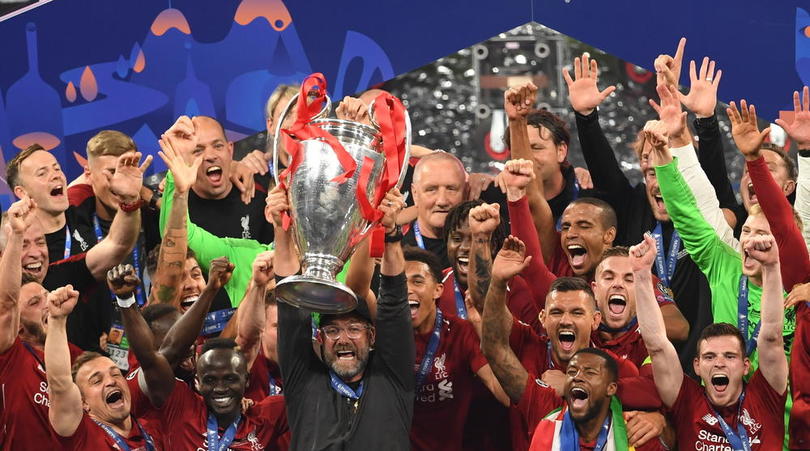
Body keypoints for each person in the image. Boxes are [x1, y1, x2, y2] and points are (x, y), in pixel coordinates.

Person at [271, 165, 414, 449]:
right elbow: (290, 306)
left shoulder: (392, 378)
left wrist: (392, 234)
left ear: (372, 337)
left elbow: (394, 304)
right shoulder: (304, 380)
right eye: (333, 330)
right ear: (319, 339)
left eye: (353, 328)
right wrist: (281, 225)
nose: (343, 338)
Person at [481, 238, 665, 450]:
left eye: (577, 313)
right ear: (543, 318)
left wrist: (657, 419)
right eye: (557, 312)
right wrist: (497, 281)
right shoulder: (534, 369)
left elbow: (657, 395)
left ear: (595, 320)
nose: (566, 321)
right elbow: (493, 346)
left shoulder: (615, 368)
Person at [632, 230, 788, 449]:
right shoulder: (687, 400)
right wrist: (641, 275)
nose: (719, 363)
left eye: (730, 356)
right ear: (697, 366)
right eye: (709, 356)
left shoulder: (765, 397)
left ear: (746, 366)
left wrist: (772, 267)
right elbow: (656, 345)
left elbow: (771, 335)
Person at [115, 256, 289, 450]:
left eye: (230, 379)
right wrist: (126, 301)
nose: (187, 345)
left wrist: (255, 286)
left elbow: (245, 342)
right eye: (211, 380)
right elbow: (164, 354)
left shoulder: (261, 415)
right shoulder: (167, 396)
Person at [403, 245, 509, 450]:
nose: (407, 289)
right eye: (400, 282)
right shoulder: (387, 334)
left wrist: (481, 329)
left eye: (417, 281)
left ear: (437, 290)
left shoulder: (461, 333)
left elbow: (503, 393)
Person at [43, 284, 161, 450]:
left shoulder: (152, 429)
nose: (110, 382)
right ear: (83, 403)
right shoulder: (82, 436)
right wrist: (57, 320)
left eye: (115, 374)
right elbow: (59, 384)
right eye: (96, 381)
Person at [5, 143, 150, 264]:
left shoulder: (80, 204)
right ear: (22, 192)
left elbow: (118, 245)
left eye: (57, 168)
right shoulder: (21, 250)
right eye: (42, 173)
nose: (56, 175)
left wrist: (130, 198)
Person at [528, 348, 665, 450]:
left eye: (590, 372)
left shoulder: (636, 434)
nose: (577, 377)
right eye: (571, 372)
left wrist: (660, 419)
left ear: (611, 388)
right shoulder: (547, 429)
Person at [402, 151, 467, 269]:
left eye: (451, 189)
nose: (442, 201)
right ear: (415, 194)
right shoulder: (396, 256)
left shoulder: (481, 249)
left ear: (465, 192)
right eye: (431, 189)